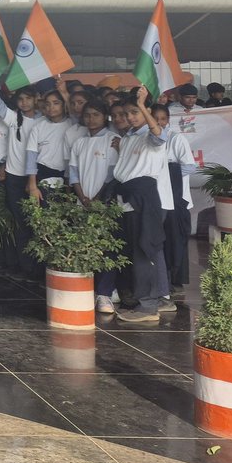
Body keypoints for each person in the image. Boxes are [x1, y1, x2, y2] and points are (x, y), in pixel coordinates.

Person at [113, 88, 176, 323]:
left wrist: (142, 105)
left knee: (144, 250)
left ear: (145, 111)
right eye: (126, 113)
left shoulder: (151, 136)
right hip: (129, 198)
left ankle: (148, 306)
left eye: (134, 112)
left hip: (145, 199)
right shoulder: (129, 137)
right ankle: (154, 300)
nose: (130, 117)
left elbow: (158, 135)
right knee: (146, 250)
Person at [0, 68, 39, 276]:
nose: (24, 102)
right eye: (20, 99)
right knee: (18, 222)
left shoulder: (43, 122)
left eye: (28, 98)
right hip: (14, 176)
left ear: (36, 99)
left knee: (35, 223)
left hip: (35, 178)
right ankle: (22, 266)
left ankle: (36, 268)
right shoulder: (14, 118)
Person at [68, 99, 120, 313]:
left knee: (106, 247)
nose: (91, 119)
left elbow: (112, 174)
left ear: (105, 117)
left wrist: (97, 198)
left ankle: (105, 293)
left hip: (104, 202)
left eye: (96, 114)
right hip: (83, 201)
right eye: (87, 115)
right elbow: (73, 173)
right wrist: (82, 197)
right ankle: (88, 289)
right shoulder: (79, 143)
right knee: (85, 245)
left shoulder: (112, 140)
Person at [151, 103, 194, 292]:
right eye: (155, 118)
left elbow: (189, 166)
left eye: (163, 119)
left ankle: (176, 279)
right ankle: (163, 279)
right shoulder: (147, 139)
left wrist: (166, 173)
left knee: (175, 240)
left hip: (177, 198)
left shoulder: (176, 139)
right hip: (158, 198)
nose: (159, 122)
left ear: (168, 120)